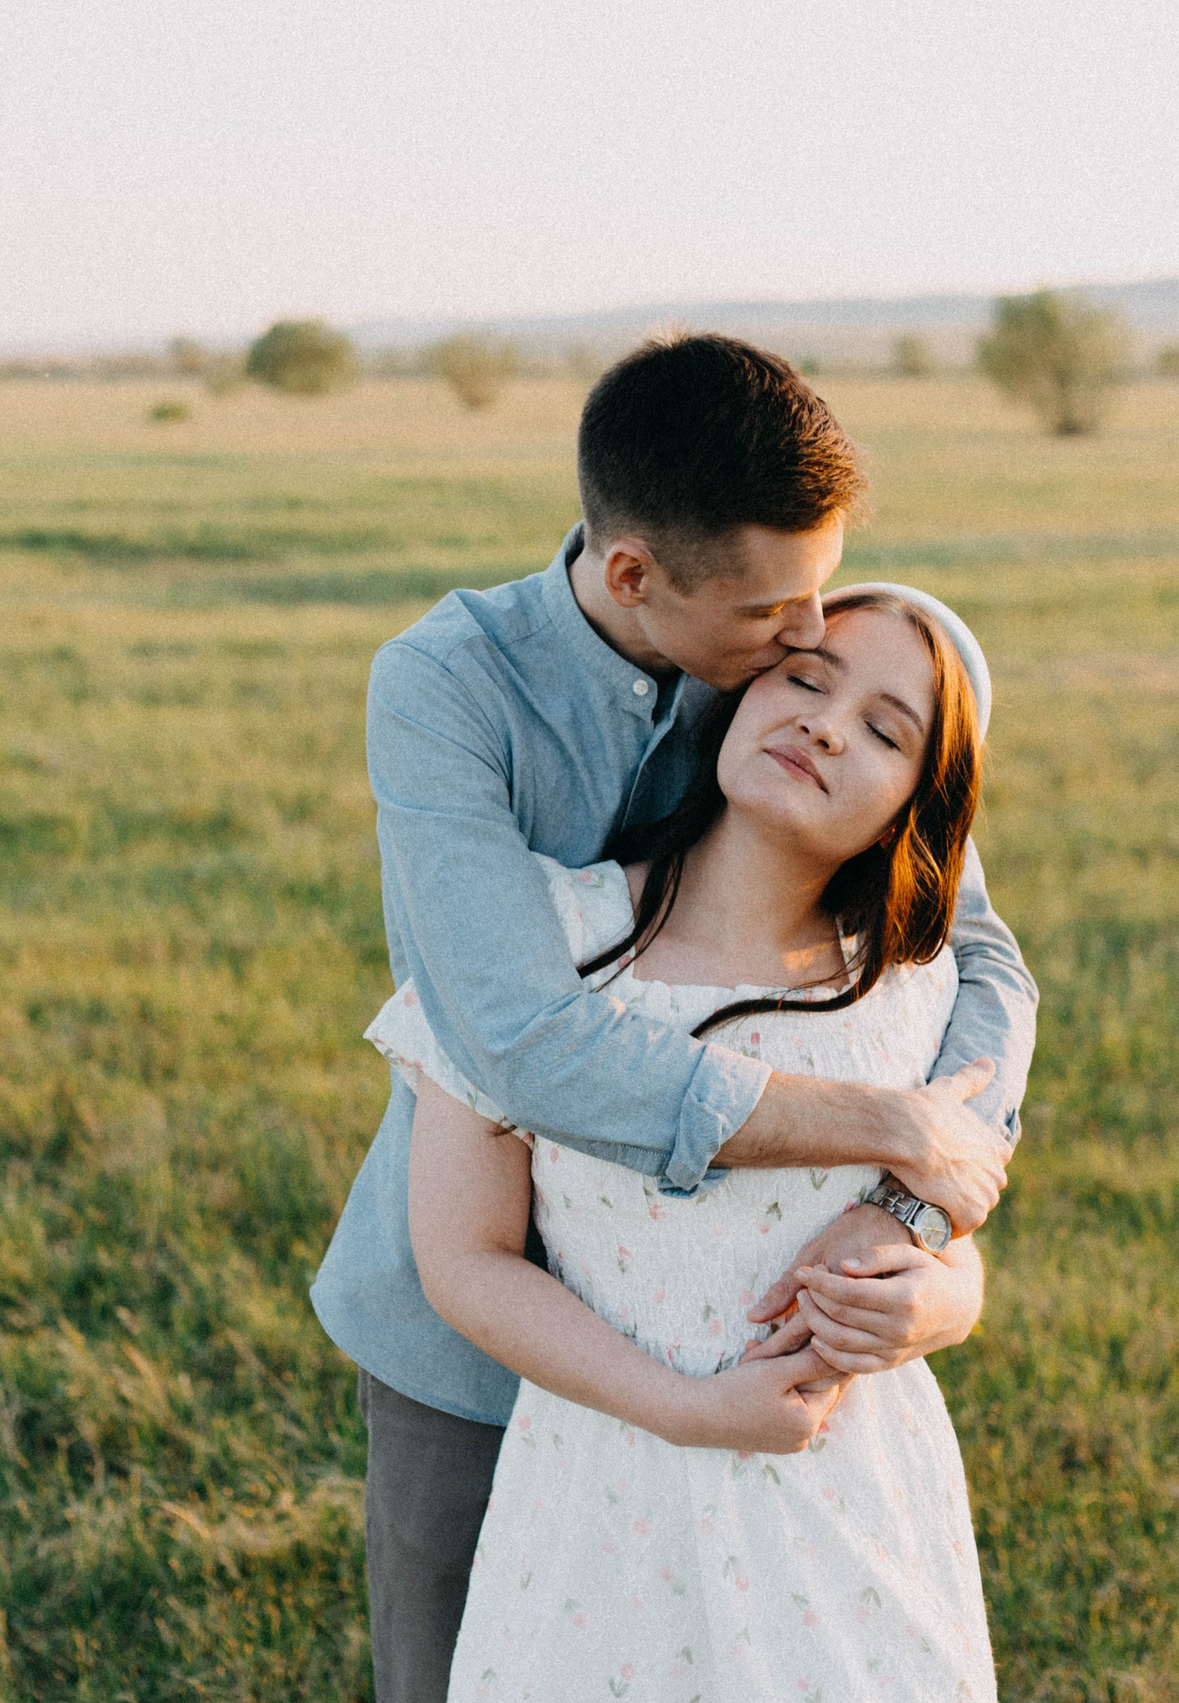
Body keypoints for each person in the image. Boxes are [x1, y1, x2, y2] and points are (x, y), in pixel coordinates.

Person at [308, 334, 1037, 1703]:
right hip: (472, 1311)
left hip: (783, 1382)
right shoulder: (447, 685)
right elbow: (518, 1042)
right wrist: (886, 1121)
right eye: (781, 626)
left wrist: (915, 1216)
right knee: (479, 1651)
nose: (812, 640)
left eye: (819, 598)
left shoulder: (776, 651)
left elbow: (979, 960)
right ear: (637, 578)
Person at [380, 589, 999, 1698]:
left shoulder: (912, 988)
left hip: (846, 1494)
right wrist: (680, 1408)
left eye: (884, 729)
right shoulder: (551, 944)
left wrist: (945, 1302)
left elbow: (950, 1214)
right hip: (605, 1478)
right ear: (736, 692)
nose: (824, 723)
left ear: (917, 805)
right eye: (806, 679)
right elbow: (463, 1254)